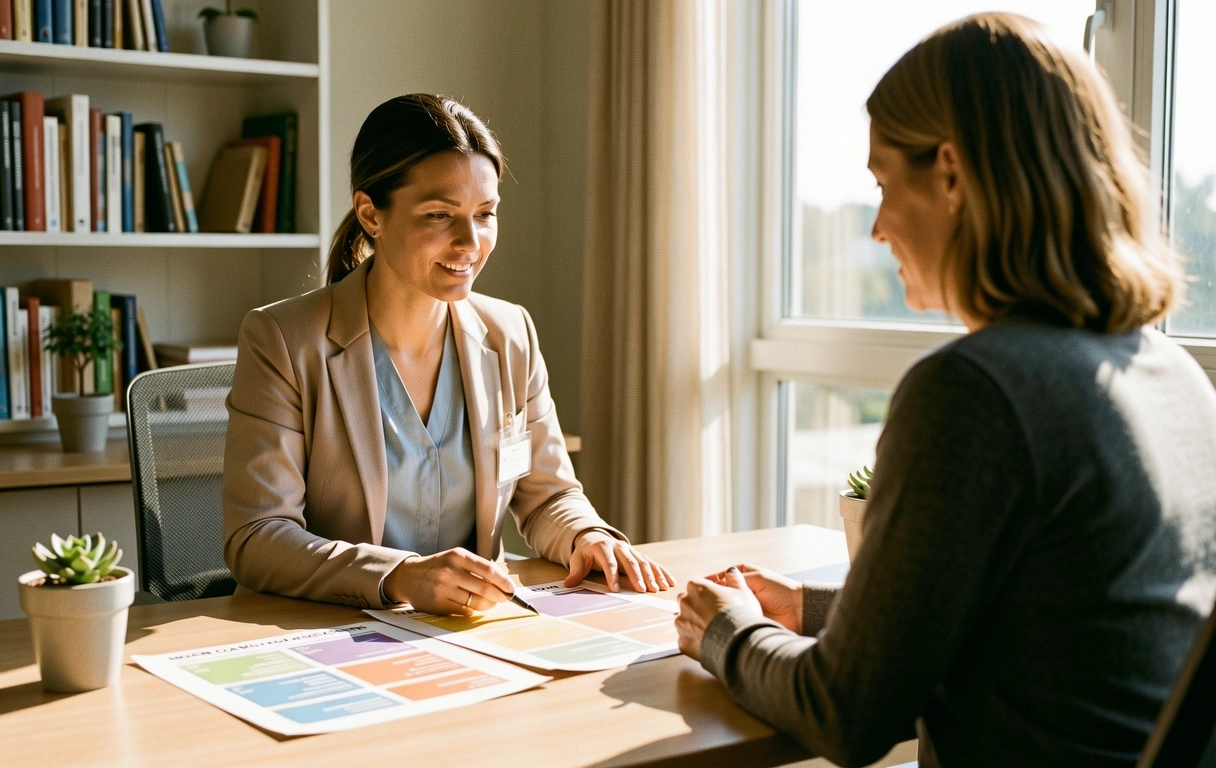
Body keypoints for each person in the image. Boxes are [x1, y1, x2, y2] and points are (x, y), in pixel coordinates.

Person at [674, 13, 1216, 768]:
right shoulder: (1171, 375)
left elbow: (846, 713)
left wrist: (725, 633)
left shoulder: (975, 391)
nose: (876, 229)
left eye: (883, 184)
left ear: (953, 175)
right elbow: (1048, 622)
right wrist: (814, 611)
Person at [223, 94, 673, 615]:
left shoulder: (510, 334)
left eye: (486, 214)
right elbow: (256, 537)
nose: (470, 242)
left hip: (467, 632)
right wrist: (399, 576)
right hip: (327, 632)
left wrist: (586, 537)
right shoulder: (282, 338)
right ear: (371, 214)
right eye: (440, 215)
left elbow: (548, 495)